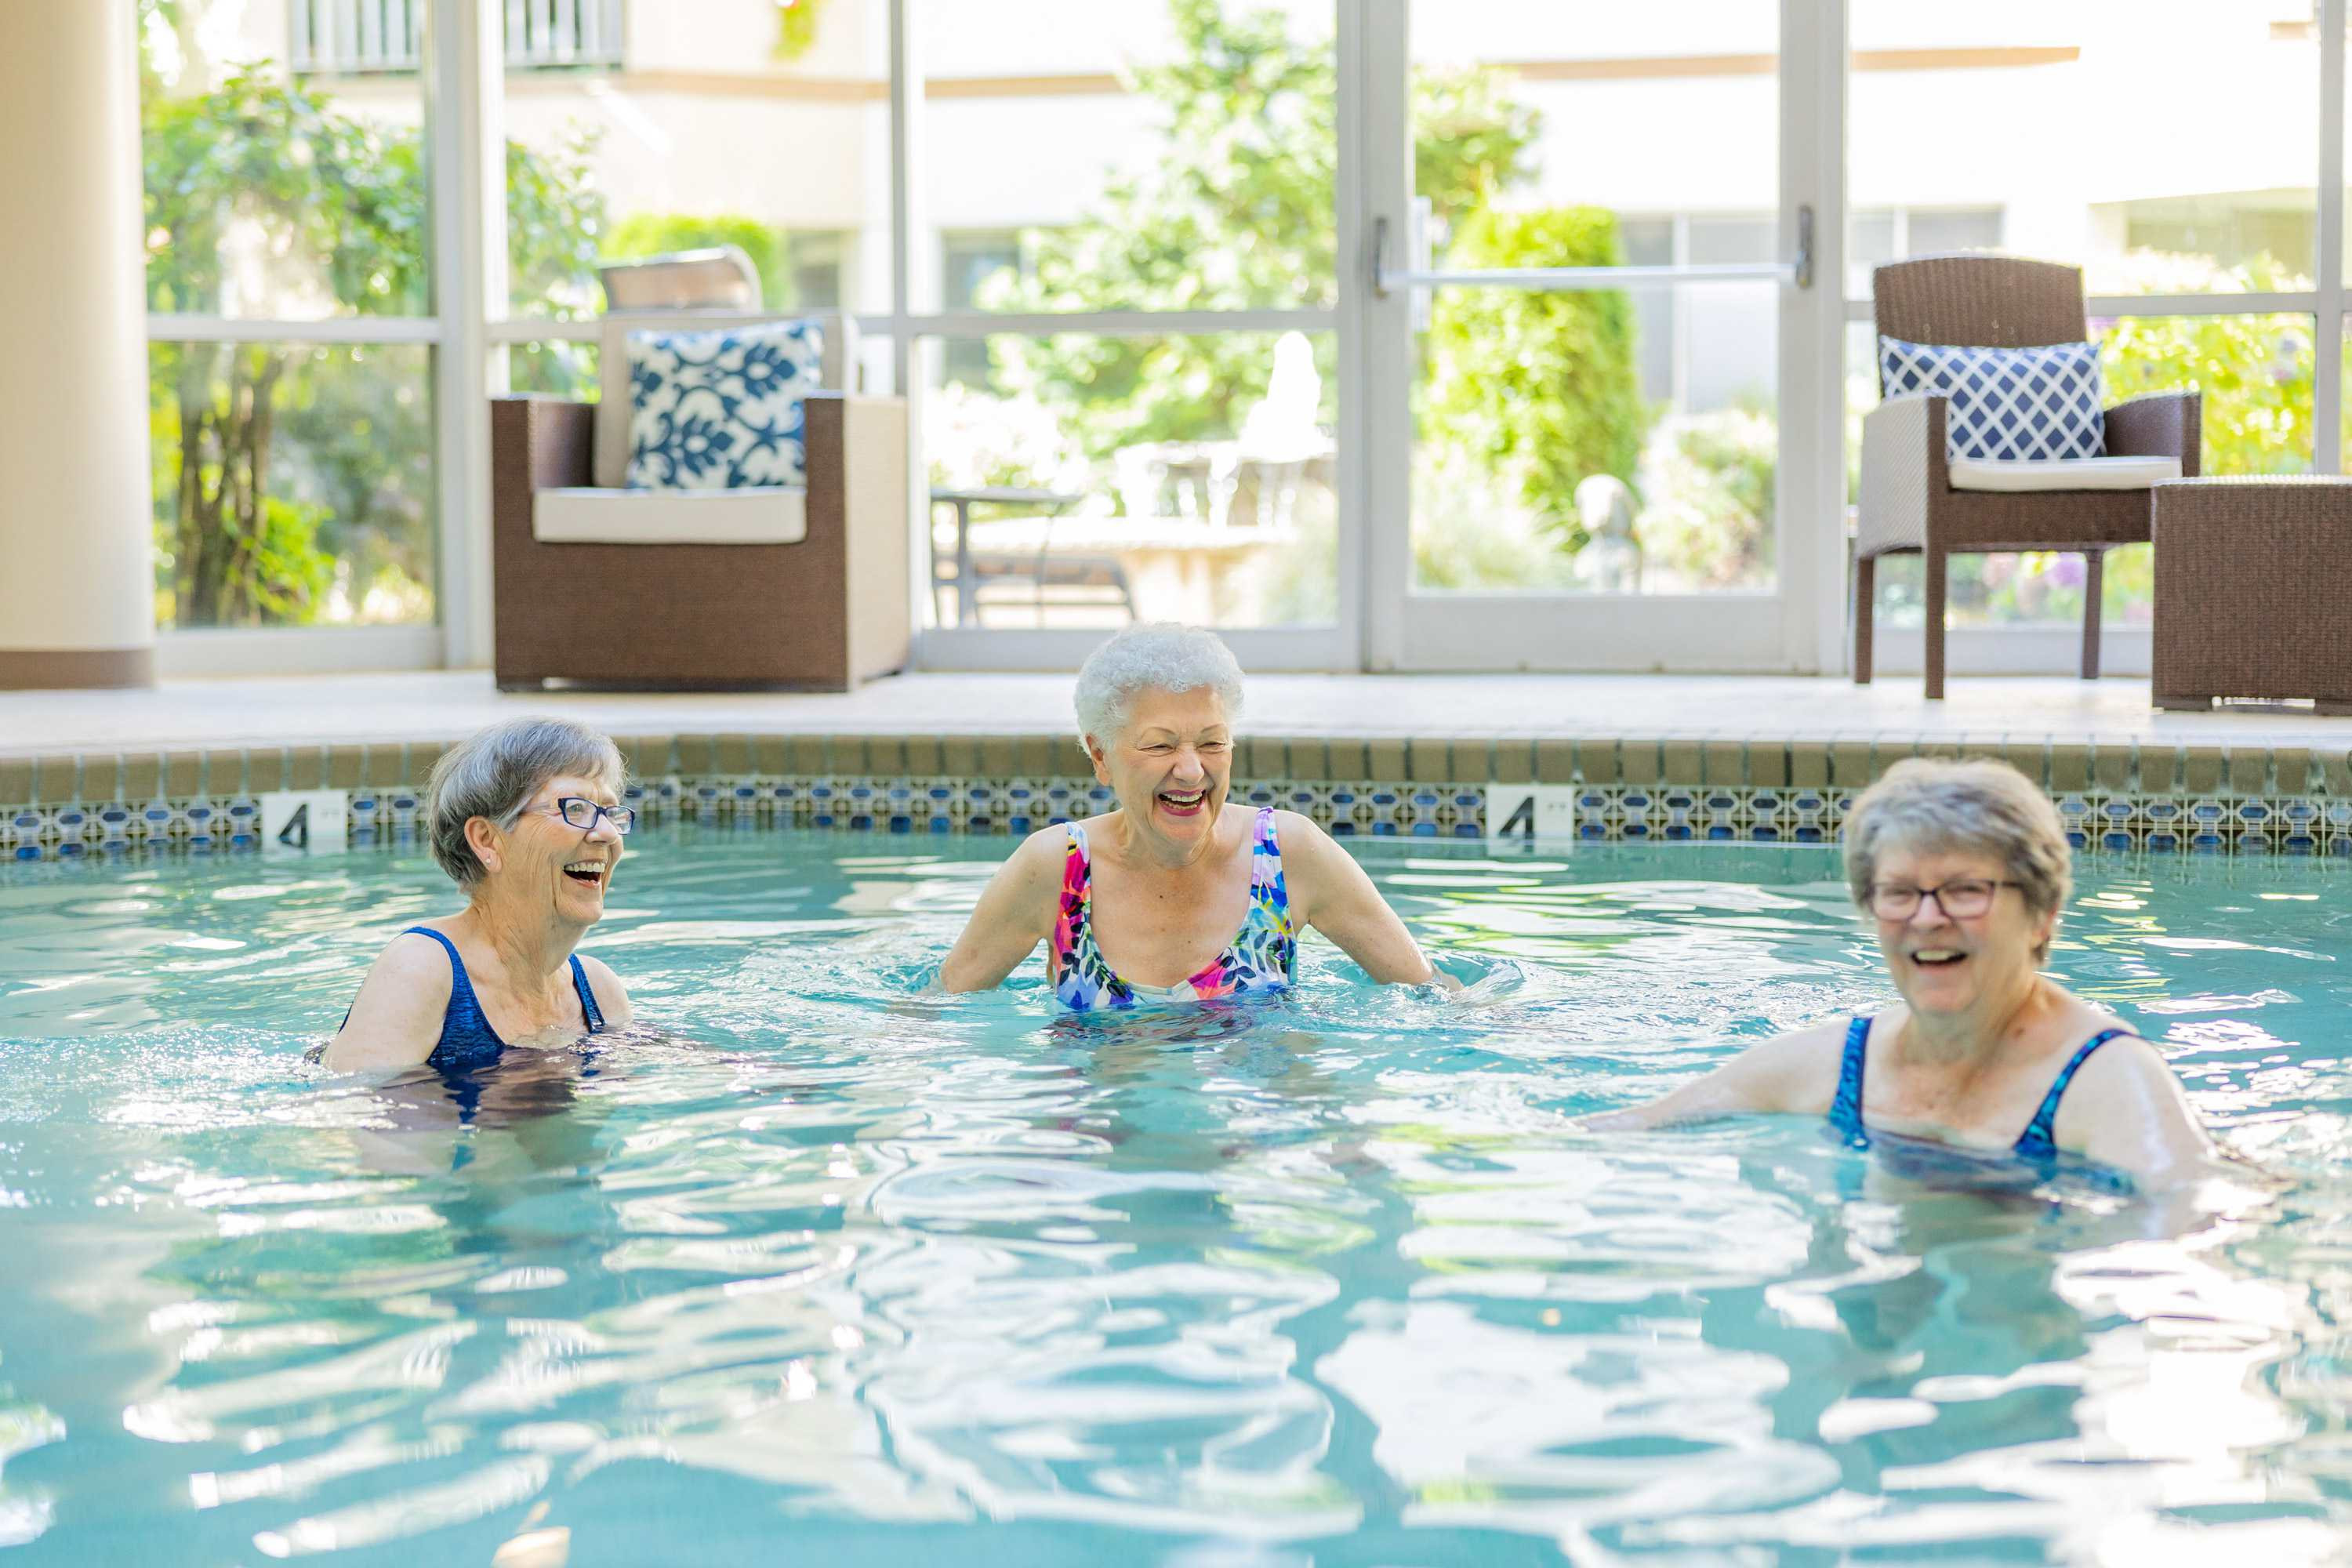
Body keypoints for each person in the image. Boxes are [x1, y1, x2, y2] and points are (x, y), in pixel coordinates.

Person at [1586, 758, 2214, 1189]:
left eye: (1966, 890)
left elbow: (2187, 1237)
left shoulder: (2104, 1080)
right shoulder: (1842, 1065)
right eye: (1900, 892)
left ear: (2043, 914)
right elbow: (1627, 1130)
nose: (1928, 918)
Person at [938, 623, 1454, 1007]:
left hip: (1255, 1132)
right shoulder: (1055, 869)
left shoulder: (1288, 854)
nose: (1191, 770)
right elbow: (932, 1013)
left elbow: (1430, 996)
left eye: (1212, 742)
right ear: (1100, 756)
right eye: (1160, 745)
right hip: (1102, 1138)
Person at [321, 716, 633, 1073]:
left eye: (611, 813)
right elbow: (351, 1115)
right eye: (575, 809)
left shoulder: (597, 992)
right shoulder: (422, 969)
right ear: (487, 840)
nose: (607, 834)